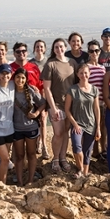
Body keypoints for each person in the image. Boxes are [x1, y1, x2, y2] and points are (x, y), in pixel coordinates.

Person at [41, 38, 78, 173]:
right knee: (58, 132)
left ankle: (63, 158)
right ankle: (55, 159)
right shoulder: (50, 65)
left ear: (65, 47)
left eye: (61, 46)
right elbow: (47, 89)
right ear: (53, 49)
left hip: (70, 104)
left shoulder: (72, 63)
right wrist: (53, 108)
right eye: (56, 47)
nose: (59, 49)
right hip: (55, 104)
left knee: (66, 132)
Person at [65, 64, 101, 178]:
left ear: (89, 74)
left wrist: (98, 127)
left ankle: (84, 172)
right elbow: (67, 109)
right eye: (81, 73)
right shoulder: (73, 89)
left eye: (86, 72)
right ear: (77, 75)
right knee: (76, 146)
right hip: (77, 124)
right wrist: (74, 124)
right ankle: (80, 169)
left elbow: (96, 109)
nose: (83, 75)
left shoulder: (94, 89)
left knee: (87, 151)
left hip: (91, 124)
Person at [13, 68, 46, 186]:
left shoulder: (31, 90)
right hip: (16, 128)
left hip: (31, 128)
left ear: (26, 79)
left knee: (31, 154)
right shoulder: (10, 90)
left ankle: (30, 180)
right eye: (18, 77)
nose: (20, 80)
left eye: (22, 78)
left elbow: (43, 103)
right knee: (19, 156)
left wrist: (37, 113)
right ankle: (20, 181)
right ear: (14, 78)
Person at [29, 39, 50, 160]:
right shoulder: (30, 63)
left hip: (44, 93)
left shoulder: (48, 62)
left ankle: (44, 146)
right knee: (35, 120)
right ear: (34, 48)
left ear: (45, 48)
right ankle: (38, 141)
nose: (39, 48)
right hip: (33, 95)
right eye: (37, 46)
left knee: (43, 118)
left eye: (41, 46)